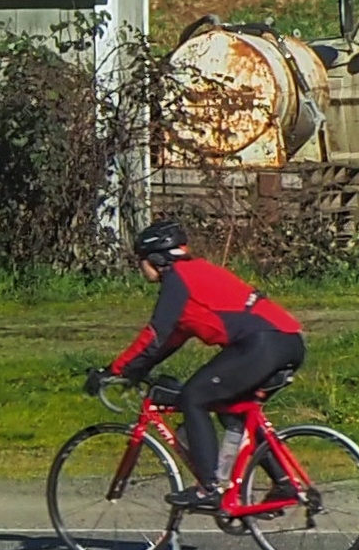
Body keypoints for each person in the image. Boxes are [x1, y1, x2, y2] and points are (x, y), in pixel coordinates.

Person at [93, 217, 305, 512]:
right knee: (236, 412)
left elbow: (156, 333)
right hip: (289, 341)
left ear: (154, 258)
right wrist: (134, 370)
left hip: (261, 344)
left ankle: (209, 488)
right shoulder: (198, 272)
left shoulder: (177, 278)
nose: (139, 267)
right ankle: (283, 483)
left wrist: (112, 370)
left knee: (194, 397)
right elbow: (172, 338)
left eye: (140, 260)